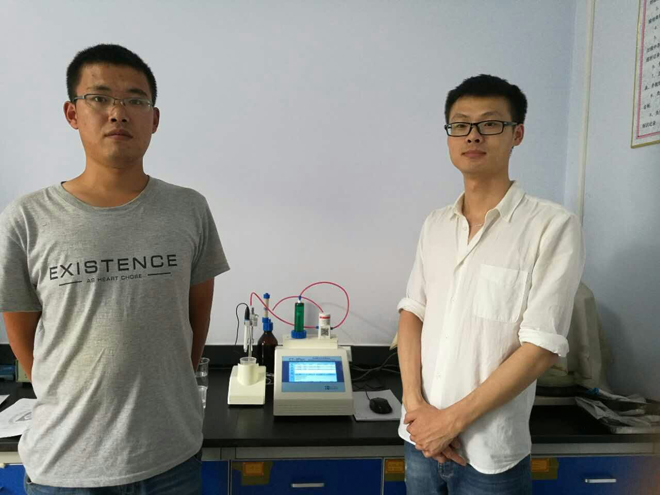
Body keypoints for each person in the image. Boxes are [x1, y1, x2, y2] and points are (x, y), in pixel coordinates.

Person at [0, 44, 230, 494]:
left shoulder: (189, 209)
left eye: (135, 100)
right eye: (100, 97)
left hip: (171, 459)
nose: (118, 113)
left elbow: (195, 317)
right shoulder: (27, 218)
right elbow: (21, 334)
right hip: (66, 468)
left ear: (154, 119)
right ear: (72, 113)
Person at [397, 74, 585, 494]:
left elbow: (540, 347)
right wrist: (415, 407)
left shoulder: (551, 227)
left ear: (517, 134)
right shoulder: (435, 225)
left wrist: (449, 422)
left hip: (490, 456)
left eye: (490, 123)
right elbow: (412, 313)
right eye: (461, 124)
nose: (473, 135)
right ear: (449, 136)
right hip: (419, 440)